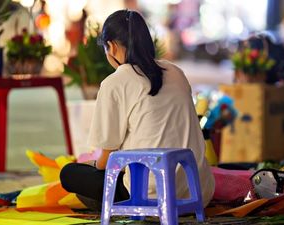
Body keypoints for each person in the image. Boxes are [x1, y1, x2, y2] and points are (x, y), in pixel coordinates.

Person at [60, 9, 215, 210]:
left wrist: (92, 165)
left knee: (70, 174)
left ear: (112, 47)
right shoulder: (176, 72)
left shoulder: (115, 83)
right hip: (198, 191)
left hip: (149, 193)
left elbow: (106, 161)